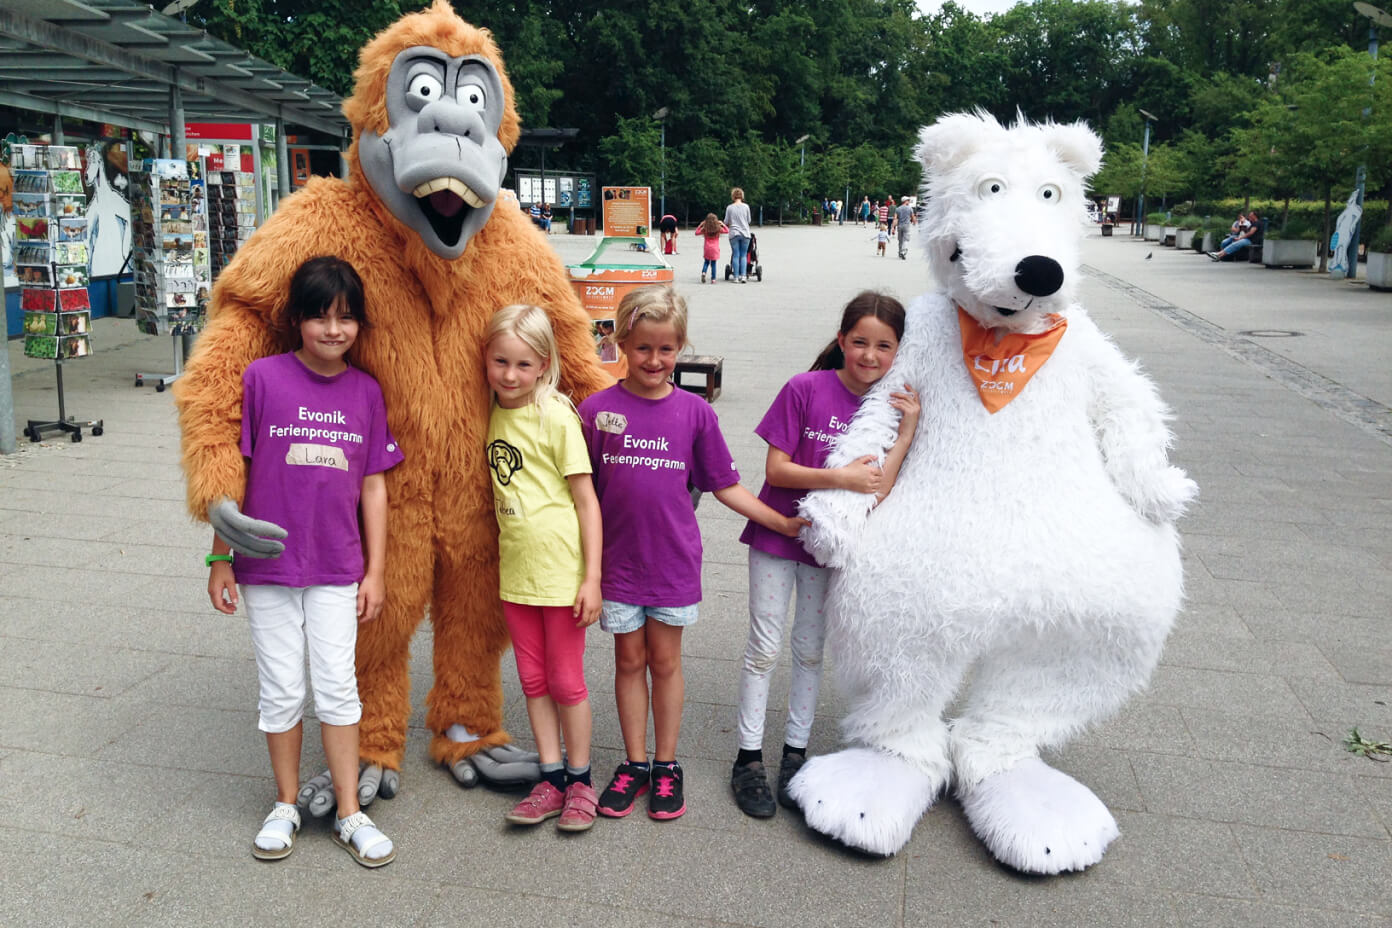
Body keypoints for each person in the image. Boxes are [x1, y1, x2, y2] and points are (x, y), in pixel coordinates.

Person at [579, 285, 806, 821]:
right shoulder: (596, 411)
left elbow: (725, 484)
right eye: (642, 348)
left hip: (673, 564)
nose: (654, 360)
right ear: (620, 344)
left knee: (665, 662)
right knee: (628, 661)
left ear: (680, 348)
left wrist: (780, 523)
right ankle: (633, 763)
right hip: (616, 567)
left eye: (666, 349)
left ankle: (665, 764)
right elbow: (578, 491)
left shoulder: (695, 414)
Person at [206, 255, 401, 868]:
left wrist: (376, 571)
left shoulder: (366, 391)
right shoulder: (261, 378)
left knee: (340, 689)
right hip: (265, 568)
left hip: (338, 568)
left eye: (346, 318)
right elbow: (229, 473)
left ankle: (349, 812)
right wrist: (219, 557)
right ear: (296, 320)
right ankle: (286, 804)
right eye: (319, 316)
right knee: (281, 691)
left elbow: (374, 485)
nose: (333, 329)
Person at [730, 292, 919, 818]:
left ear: (898, 351)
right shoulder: (804, 389)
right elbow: (776, 471)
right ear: (841, 341)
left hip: (826, 550)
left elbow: (877, 490)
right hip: (775, 537)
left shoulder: (888, 407)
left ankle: (795, 754)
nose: (869, 356)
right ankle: (747, 758)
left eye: (884, 346)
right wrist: (840, 477)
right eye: (859, 342)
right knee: (764, 647)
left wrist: (904, 433)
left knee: (811, 651)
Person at [484, 304, 605, 833]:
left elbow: (586, 500)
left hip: (560, 575)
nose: (510, 375)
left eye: (523, 365)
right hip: (516, 576)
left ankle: (580, 780)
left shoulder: (554, 414)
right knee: (532, 680)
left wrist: (592, 577)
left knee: (565, 680)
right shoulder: (489, 409)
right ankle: (551, 777)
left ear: (544, 364)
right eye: (500, 362)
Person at [725, 187, 753, 283]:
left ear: (733, 196)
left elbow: (726, 221)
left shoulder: (729, 207)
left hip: (734, 233)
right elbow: (749, 220)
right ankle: (743, 276)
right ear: (742, 196)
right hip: (745, 233)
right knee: (744, 255)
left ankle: (736, 277)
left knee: (736, 255)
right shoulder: (746, 207)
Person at [695, 212, 728, 283]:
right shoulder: (718, 229)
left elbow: (696, 233)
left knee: (706, 262)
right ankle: (713, 279)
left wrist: (700, 225)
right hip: (715, 249)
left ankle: (704, 272)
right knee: (713, 264)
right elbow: (727, 231)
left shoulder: (705, 229)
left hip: (707, 248)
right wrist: (722, 224)